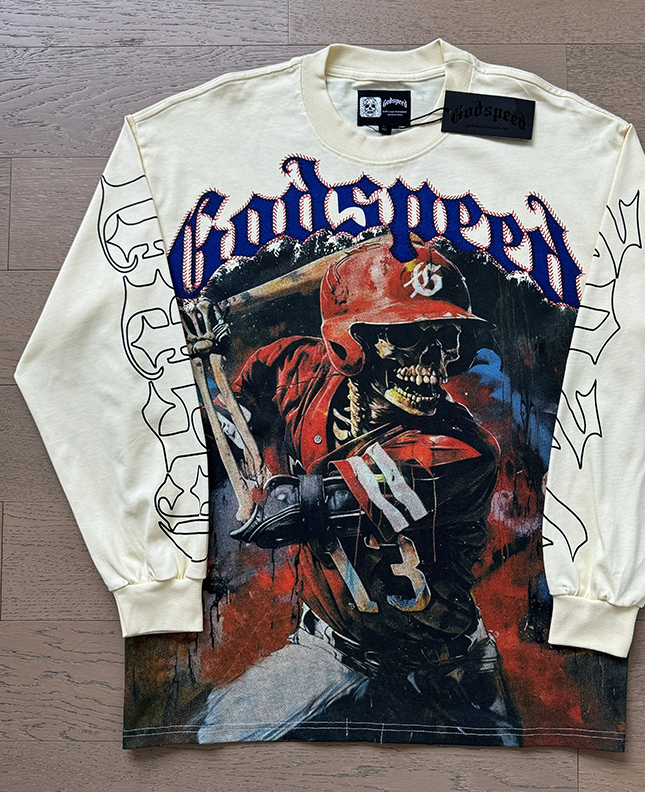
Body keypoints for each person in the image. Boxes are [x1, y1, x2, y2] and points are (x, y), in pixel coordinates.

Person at [189, 232, 523, 745]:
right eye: (407, 337)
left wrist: (213, 377)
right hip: (330, 649)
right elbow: (228, 417)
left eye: (446, 337)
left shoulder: (461, 449)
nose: (433, 362)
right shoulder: (297, 368)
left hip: (447, 665)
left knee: (506, 767)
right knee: (213, 737)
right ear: (352, 343)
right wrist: (205, 361)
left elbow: (291, 510)